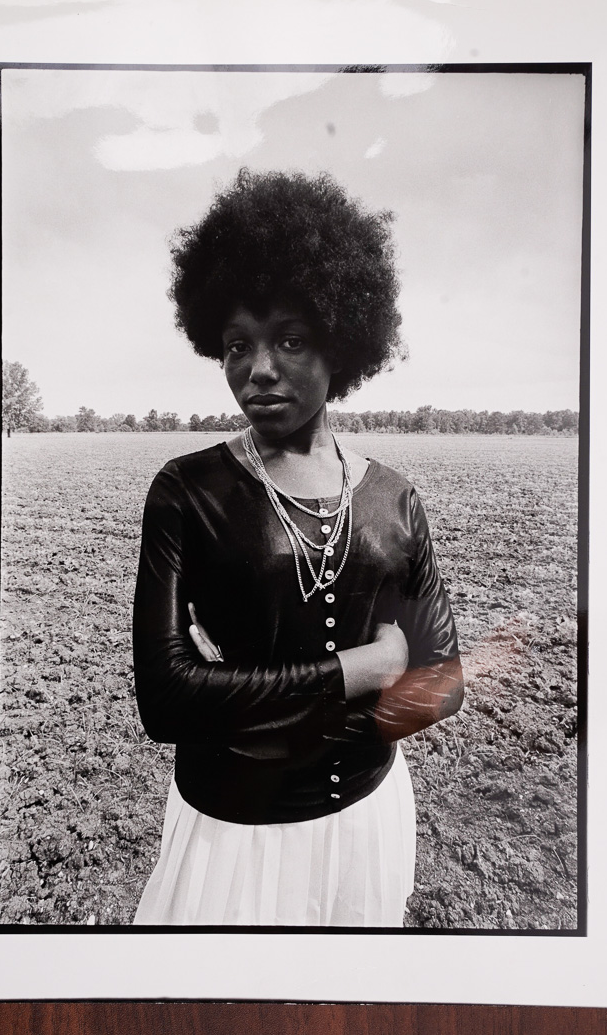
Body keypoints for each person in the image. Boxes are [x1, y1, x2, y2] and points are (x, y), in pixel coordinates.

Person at [132, 169, 463, 927]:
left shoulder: (395, 500)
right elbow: (167, 700)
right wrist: (364, 669)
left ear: (341, 345)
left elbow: (443, 681)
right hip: (234, 835)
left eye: (289, 339)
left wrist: (247, 703)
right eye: (236, 345)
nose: (257, 369)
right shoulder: (187, 492)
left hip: (368, 819)